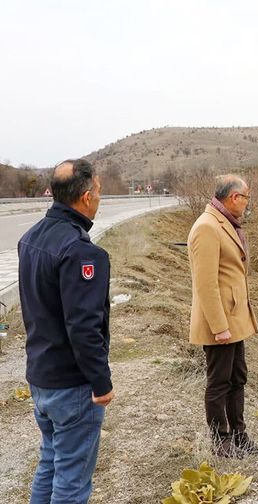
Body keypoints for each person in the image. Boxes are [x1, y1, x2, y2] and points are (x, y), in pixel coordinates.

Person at [18, 159, 113, 503]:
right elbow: (83, 326)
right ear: (86, 197)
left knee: (51, 461)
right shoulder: (82, 252)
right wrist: (101, 382)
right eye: (99, 191)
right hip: (72, 385)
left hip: (41, 376)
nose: (100, 198)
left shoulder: (31, 238)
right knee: (72, 479)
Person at [187, 174, 258, 458]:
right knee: (219, 381)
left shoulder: (224, 223)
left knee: (237, 377)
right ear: (234, 197)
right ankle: (221, 442)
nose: (247, 204)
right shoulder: (207, 227)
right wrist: (219, 327)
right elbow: (205, 284)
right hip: (220, 323)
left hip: (234, 319)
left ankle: (239, 436)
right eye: (246, 198)